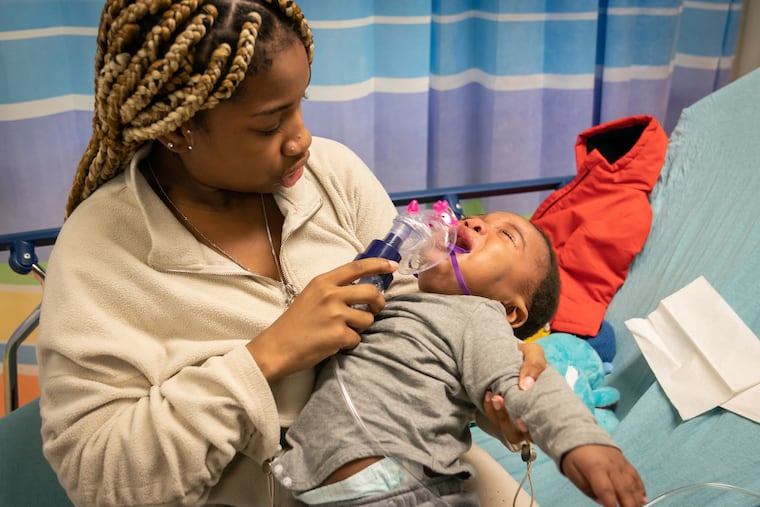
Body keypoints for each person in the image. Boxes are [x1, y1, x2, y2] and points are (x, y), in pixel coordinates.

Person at [35, 2, 546, 506]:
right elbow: (97, 478)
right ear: (177, 127)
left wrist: (492, 383)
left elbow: (427, 326)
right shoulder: (99, 251)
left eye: (301, 103)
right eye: (268, 124)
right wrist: (266, 358)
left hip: (415, 476)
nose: (301, 139)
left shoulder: (334, 174)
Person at [272, 211, 647, 507]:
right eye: (475, 219)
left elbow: (525, 382)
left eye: (506, 235)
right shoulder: (394, 304)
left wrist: (582, 442)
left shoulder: (479, 316)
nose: (474, 222)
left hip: (402, 492)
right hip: (319, 486)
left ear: (509, 311)